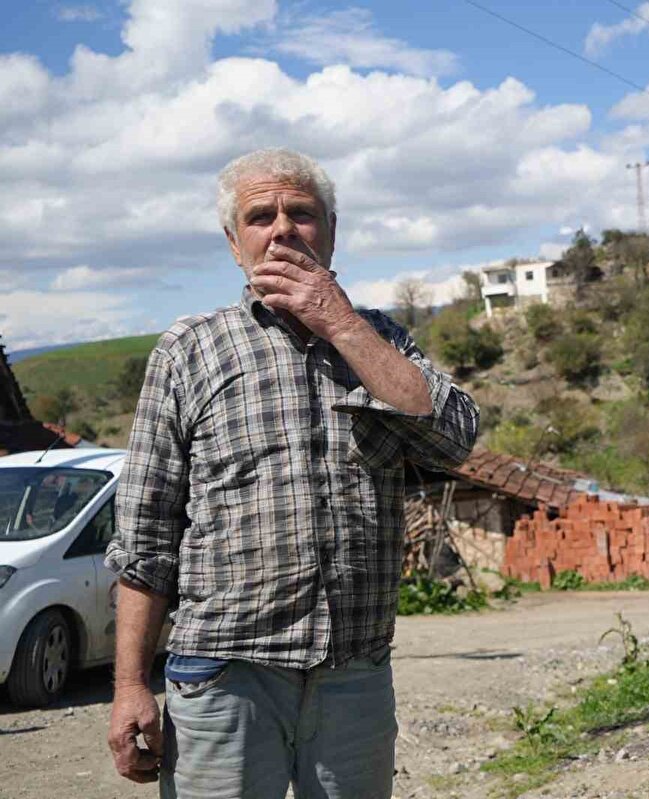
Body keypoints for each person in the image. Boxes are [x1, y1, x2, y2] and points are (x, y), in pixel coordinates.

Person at [104, 148, 479, 799]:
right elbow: (145, 534)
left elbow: (455, 438)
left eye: (301, 213)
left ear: (330, 229)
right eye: (260, 216)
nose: (282, 229)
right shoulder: (190, 350)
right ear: (233, 243)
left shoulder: (381, 341)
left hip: (353, 673)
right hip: (224, 673)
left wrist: (339, 322)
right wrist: (130, 684)